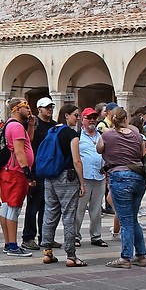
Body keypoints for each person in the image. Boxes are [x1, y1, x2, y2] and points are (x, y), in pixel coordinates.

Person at [98, 106, 146, 269]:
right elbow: (141, 153)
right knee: (133, 219)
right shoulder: (135, 133)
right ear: (126, 118)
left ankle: (125, 257)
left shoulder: (107, 134)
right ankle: (141, 255)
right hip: (138, 175)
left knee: (125, 220)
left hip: (119, 176)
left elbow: (99, 149)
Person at [40, 104, 86, 266]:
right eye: (75, 115)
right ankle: (71, 256)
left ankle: (47, 253)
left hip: (50, 177)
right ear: (66, 115)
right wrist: (82, 182)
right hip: (67, 177)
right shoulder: (71, 134)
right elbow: (77, 160)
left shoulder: (51, 130)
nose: (78, 118)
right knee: (69, 215)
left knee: (50, 214)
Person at [0, 98, 34, 256]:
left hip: (7, 170)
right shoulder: (17, 127)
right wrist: (28, 173)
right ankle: (13, 245)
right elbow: (20, 152)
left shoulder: (10, 125)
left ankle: (8, 242)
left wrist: (31, 126)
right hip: (16, 172)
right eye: (26, 107)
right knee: (14, 208)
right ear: (17, 109)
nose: (29, 110)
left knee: (6, 207)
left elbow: (27, 143)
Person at [22, 97, 55, 251]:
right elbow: (28, 143)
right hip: (36, 168)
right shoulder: (34, 125)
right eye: (47, 107)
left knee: (47, 206)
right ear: (39, 109)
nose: (50, 110)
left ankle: (45, 236)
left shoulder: (54, 126)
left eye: (51, 107)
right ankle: (28, 237)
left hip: (49, 169)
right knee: (33, 205)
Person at [77, 107, 108, 249]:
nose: (92, 120)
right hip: (84, 177)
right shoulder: (78, 136)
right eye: (89, 117)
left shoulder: (101, 135)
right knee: (79, 208)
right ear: (82, 120)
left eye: (94, 117)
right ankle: (75, 236)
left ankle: (96, 236)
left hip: (99, 176)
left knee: (97, 209)